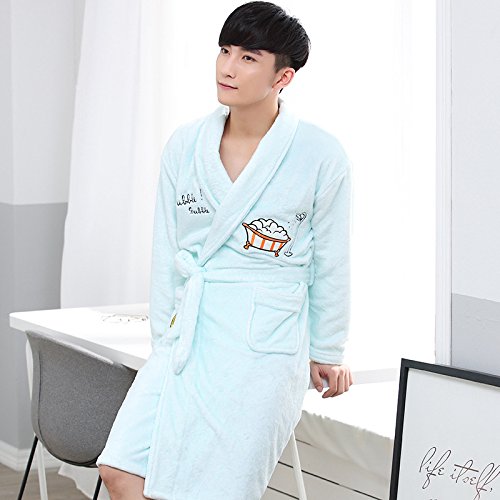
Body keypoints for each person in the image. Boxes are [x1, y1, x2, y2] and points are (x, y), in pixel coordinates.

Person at [96, 1, 353, 498]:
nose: (228, 67)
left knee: (217, 489)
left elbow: (332, 261)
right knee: (121, 468)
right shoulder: (186, 144)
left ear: (283, 77)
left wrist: (328, 349)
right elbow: (167, 249)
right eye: (225, 50)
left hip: (263, 343)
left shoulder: (320, 154)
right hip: (190, 334)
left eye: (249, 57)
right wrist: (164, 338)